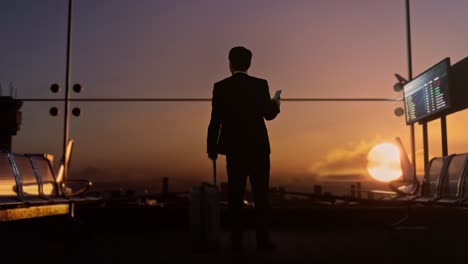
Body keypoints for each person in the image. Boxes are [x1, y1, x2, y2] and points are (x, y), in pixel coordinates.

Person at [207, 46, 281, 252]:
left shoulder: (220, 87)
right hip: (258, 148)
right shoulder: (260, 85)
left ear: (230, 63)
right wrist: (276, 103)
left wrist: (211, 148)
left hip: (234, 149)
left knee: (235, 195)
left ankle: (236, 240)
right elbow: (268, 115)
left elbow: (215, 121)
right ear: (249, 64)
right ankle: (262, 241)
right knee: (261, 196)